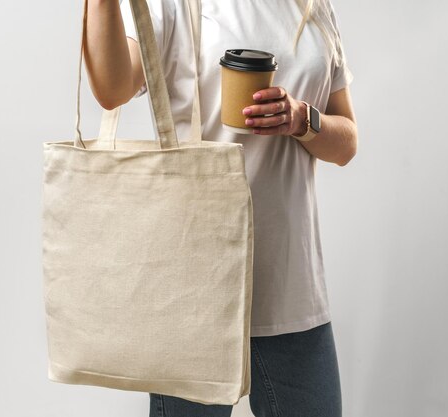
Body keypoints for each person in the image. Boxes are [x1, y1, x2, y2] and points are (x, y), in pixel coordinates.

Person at [83, 0, 358, 415]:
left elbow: (347, 142)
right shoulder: (172, 5)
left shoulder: (312, 6)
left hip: (291, 286)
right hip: (194, 292)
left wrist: (302, 119)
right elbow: (111, 89)